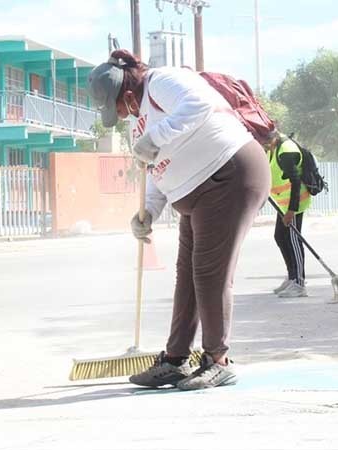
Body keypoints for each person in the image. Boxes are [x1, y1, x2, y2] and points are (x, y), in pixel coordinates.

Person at [88, 50, 270, 390]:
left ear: (126, 95)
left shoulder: (164, 80)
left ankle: (218, 359)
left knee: (208, 271)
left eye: (117, 108)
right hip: (196, 192)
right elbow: (155, 172)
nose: (121, 115)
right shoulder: (139, 120)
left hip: (229, 174)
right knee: (186, 274)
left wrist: (155, 138)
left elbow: (199, 107)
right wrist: (148, 212)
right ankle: (176, 359)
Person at [263, 131, 310, 298]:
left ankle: (299, 283)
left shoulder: (287, 151)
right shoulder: (273, 147)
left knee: (293, 239)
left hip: (295, 201)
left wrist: (291, 211)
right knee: (280, 236)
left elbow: (296, 182)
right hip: (284, 202)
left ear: (273, 138)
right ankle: (292, 277)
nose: (263, 145)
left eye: (264, 142)